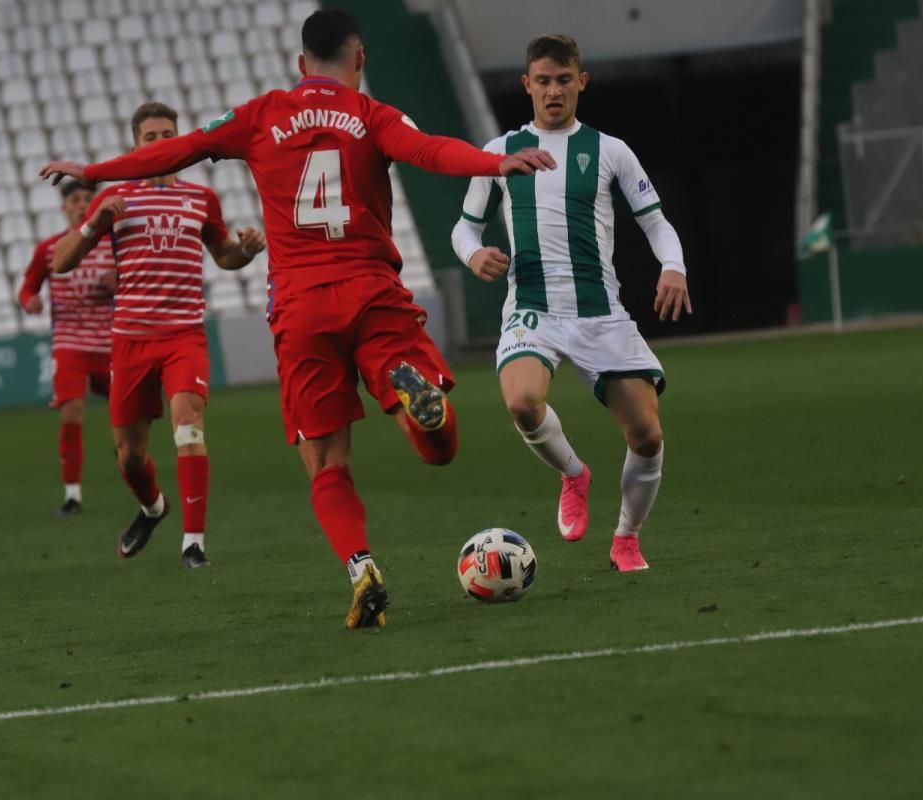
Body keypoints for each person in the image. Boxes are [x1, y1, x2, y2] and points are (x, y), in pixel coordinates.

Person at [40, 9, 554, 627]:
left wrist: (92, 172)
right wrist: (491, 162)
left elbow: (179, 150)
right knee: (439, 451)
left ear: (299, 64)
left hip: (300, 307)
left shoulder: (261, 114)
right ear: (359, 60)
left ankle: (361, 566)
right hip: (371, 292)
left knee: (327, 462)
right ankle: (423, 407)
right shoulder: (372, 115)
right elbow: (427, 150)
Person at [450, 34, 692, 572]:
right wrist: (474, 257)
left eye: (563, 80)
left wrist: (673, 266)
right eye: (543, 81)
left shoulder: (610, 151)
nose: (553, 91)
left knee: (647, 436)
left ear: (581, 82)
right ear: (527, 85)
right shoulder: (499, 152)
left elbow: (655, 221)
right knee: (521, 402)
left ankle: (627, 539)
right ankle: (573, 474)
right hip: (532, 309)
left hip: (599, 311)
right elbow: (463, 230)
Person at [49, 102, 267, 569]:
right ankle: (153, 508)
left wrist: (244, 252)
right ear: (136, 145)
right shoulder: (115, 199)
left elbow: (223, 255)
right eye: (152, 136)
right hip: (129, 339)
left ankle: (194, 543)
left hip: (183, 334)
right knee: (130, 456)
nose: (163, 141)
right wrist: (93, 223)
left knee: (188, 423)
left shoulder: (201, 199)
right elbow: (61, 263)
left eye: (170, 133)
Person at [17, 179, 116, 516]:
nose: (81, 203)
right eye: (75, 198)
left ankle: (134, 468)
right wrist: (30, 301)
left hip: (111, 344)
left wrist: (119, 282)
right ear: (64, 207)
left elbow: (137, 283)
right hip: (70, 343)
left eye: (87, 198)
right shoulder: (49, 249)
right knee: (71, 412)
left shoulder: (112, 243)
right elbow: (27, 288)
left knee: (128, 416)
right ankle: (72, 495)